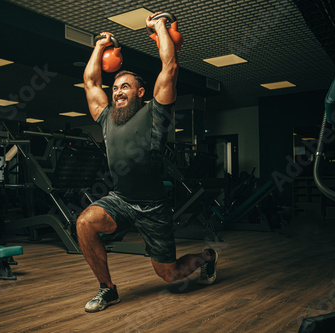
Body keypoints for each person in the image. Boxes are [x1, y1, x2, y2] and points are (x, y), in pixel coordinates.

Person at [78, 12, 219, 313]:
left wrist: (159, 28)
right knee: (84, 223)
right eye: (115, 88)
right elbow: (91, 82)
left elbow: (170, 66)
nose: (117, 92)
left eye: (125, 87)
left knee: (170, 274)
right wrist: (99, 46)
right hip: (121, 199)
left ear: (140, 93)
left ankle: (207, 257)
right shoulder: (106, 118)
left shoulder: (155, 113)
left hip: (154, 206)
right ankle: (108, 290)